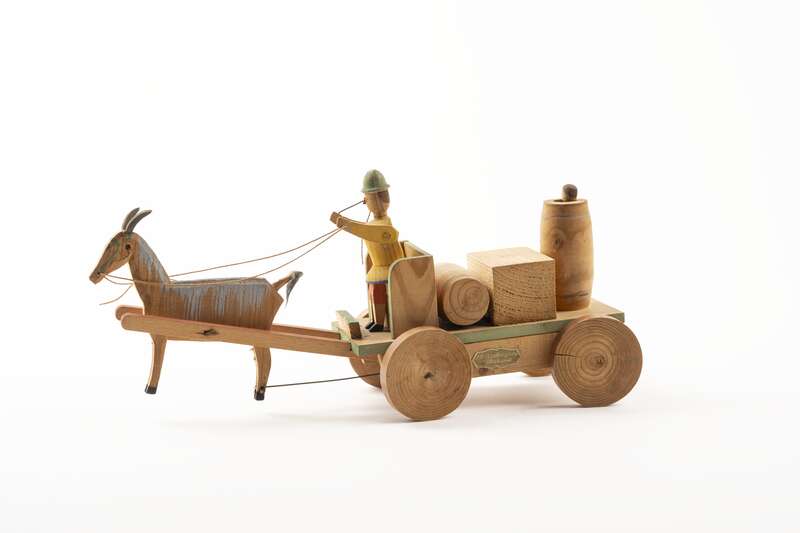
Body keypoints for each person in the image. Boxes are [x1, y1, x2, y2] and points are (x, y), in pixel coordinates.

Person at [330, 170, 404, 332]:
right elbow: (365, 229)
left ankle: (380, 323)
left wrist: (343, 223)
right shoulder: (374, 224)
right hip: (378, 268)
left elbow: (365, 231)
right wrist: (342, 221)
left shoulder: (385, 226)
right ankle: (377, 320)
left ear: (376, 199)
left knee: (376, 291)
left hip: (391, 269)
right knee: (372, 291)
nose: (364, 201)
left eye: (367, 198)